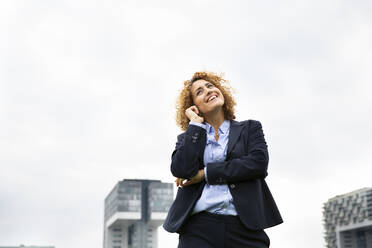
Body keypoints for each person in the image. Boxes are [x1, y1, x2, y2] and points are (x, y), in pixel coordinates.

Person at [163, 71, 283, 248]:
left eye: (210, 86)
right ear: (193, 106)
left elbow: (258, 164)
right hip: (199, 228)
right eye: (200, 92)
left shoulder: (250, 128)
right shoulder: (189, 138)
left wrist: (206, 173)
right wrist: (195, 124)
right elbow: (181, 170)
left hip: (245, 227)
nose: (208, 91)